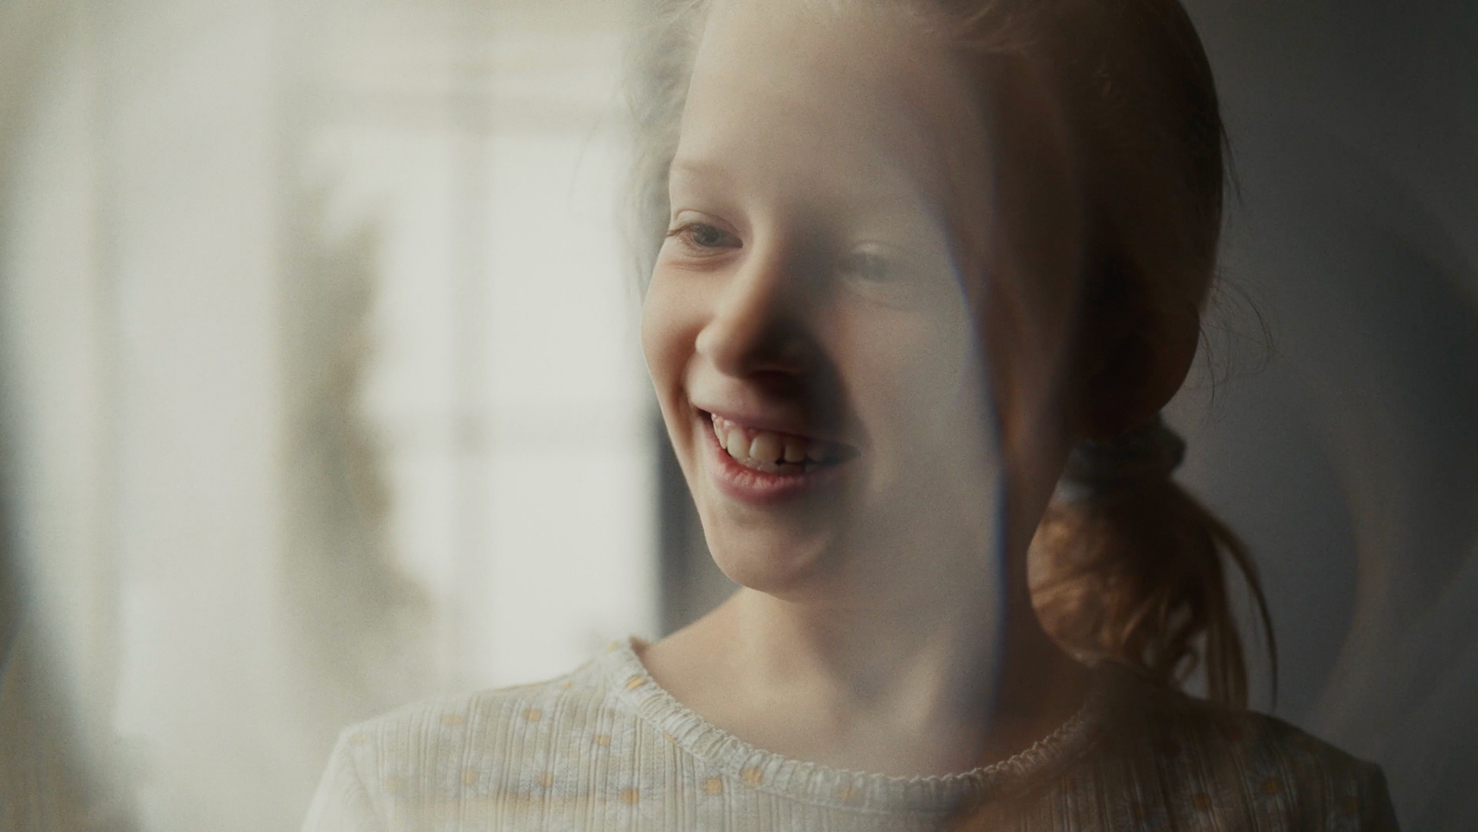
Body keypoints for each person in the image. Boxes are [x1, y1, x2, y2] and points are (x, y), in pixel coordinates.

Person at [302, 0, 1399, 828]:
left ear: (1115, 359)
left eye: (877, 260)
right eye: (705, 230)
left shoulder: (1298, 813)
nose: (737, 333)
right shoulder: (420, 801)